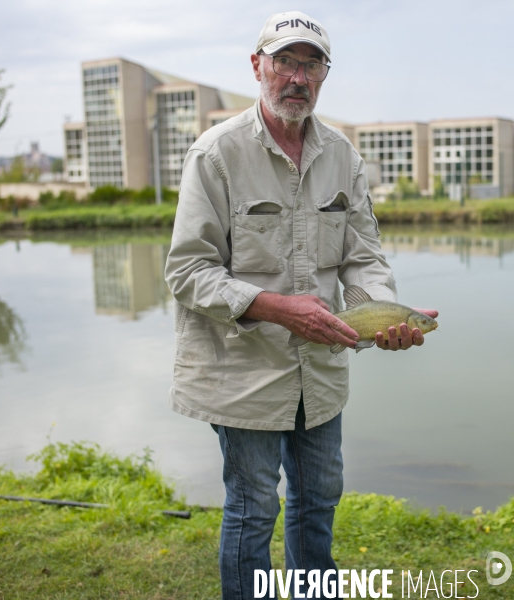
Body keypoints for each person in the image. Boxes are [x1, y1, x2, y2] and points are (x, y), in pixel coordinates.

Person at [165, 11, 438, 599]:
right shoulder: (214, 155)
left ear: (323, 74)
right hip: (241, 372)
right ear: (257, 66)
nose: (297, 77)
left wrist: (387, 314)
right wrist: (274, 306)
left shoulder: (343, 155)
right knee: (254, 506)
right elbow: (187, 271)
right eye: (285, 61)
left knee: (318, 502)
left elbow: (364, 257)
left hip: (321, 371)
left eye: (311, 64)